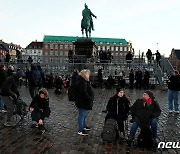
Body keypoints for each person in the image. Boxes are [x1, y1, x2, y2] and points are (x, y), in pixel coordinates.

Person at [75, 69, 94, 135]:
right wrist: (89, 98)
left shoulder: (83, 81)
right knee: (82, 115)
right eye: (88, 74)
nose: (89, 75)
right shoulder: (82, 82)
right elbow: (84, 93)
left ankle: (83, 126)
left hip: (83, 101)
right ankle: (80, 129)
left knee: (84, 114)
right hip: (82, 101)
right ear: (85, 75)